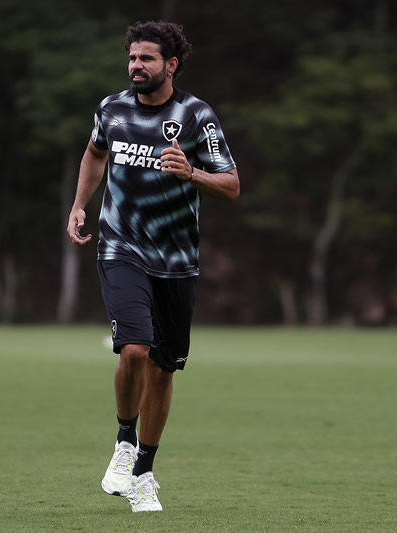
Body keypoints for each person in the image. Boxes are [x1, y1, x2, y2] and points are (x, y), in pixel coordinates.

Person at [66, 20, 239, 513]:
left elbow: (231, 185)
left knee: (164, 371)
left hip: (177, 261)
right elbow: (95, 153)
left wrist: (192, 172)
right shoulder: (112, 109)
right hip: (121, 247)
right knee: (135, 349)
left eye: (146, 58)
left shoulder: (196, 115)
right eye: (132, 58)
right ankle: (124, 441)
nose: (135, 66)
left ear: (171, 65)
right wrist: (79, 204)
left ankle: (143, 471)